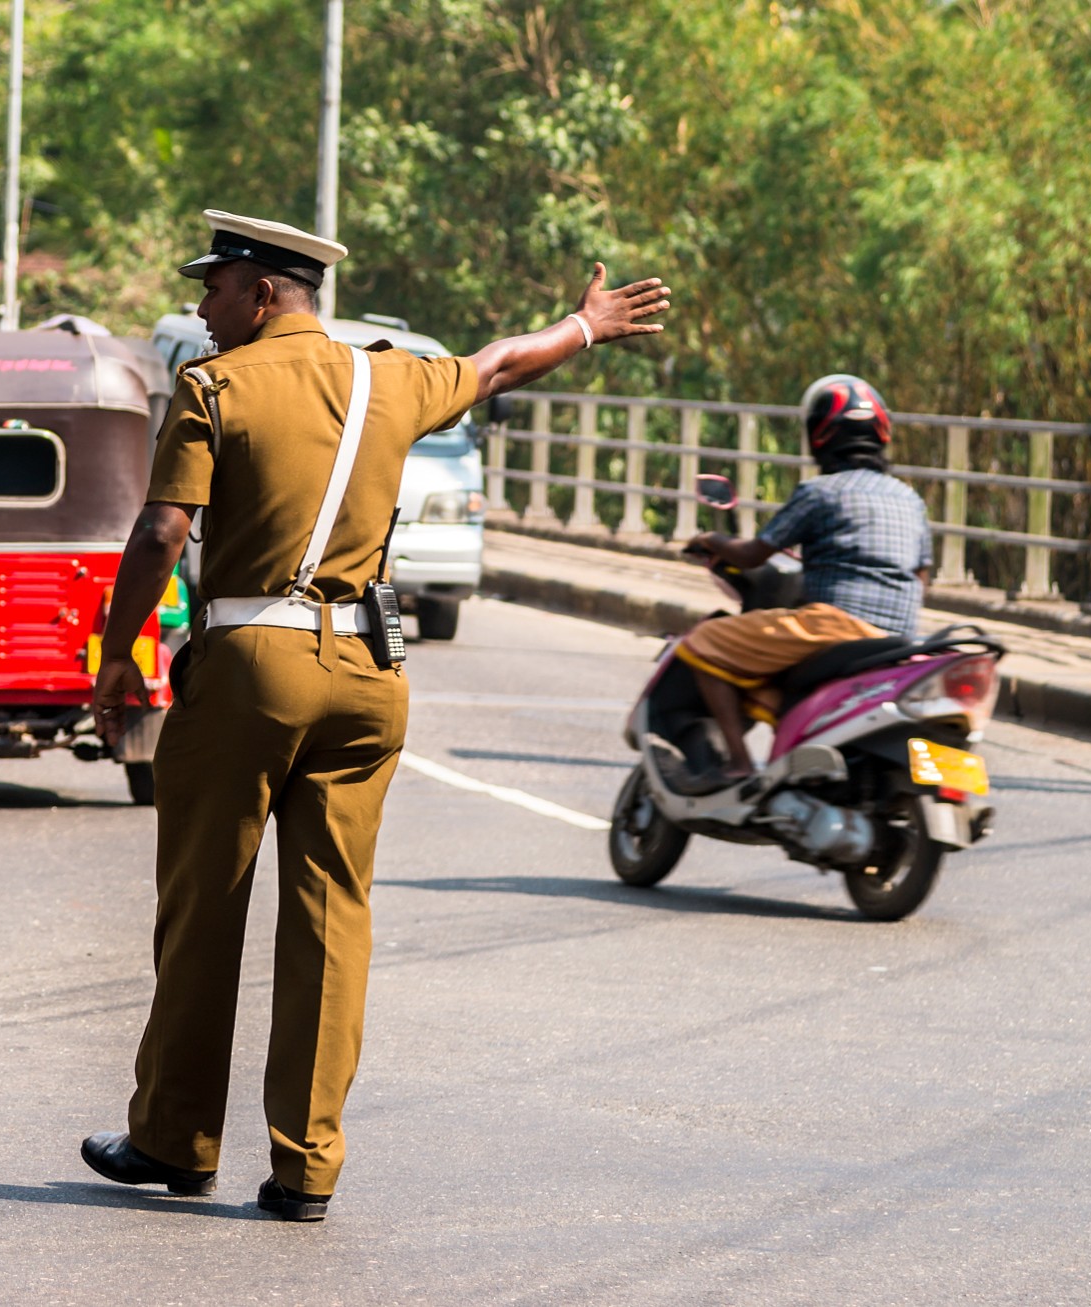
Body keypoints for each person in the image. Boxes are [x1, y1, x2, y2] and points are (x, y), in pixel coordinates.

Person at [81, 209, 670, 1221]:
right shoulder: (388, 377)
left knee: (205, 906)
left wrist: (112, 659)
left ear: (264, 292)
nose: (201, 305)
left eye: (214, 287)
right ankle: (306, 1165)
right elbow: (495, 365)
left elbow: (159, 531)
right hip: (367, 673)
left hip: (251, 667)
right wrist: (584, 326)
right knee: (330, 917)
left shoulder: (215, 386)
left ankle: (175, 1137)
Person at [678, 374, 933, 780]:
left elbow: (752, 555)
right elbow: (920, 579)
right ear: (881, 433)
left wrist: (710, 538)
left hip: (834, 625)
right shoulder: (910, 499)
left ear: (820, 436)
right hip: (900, 635)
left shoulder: (820, 492)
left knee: (706, 642)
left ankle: (740, 764)